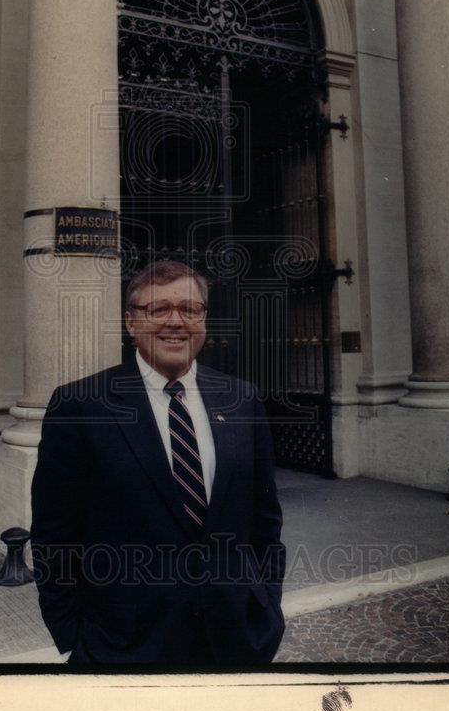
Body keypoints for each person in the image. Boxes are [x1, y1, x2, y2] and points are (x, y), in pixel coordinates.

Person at [30, 259, 285, 667]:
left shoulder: (242, 398)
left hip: (236, 639)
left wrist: (268, 607)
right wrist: (73, 635)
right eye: (159, 309)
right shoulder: (81, 405)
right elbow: (54, 536)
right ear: (131, 322)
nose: (176, 321)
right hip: (124, 647)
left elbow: (265, 522)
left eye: (190, 309)